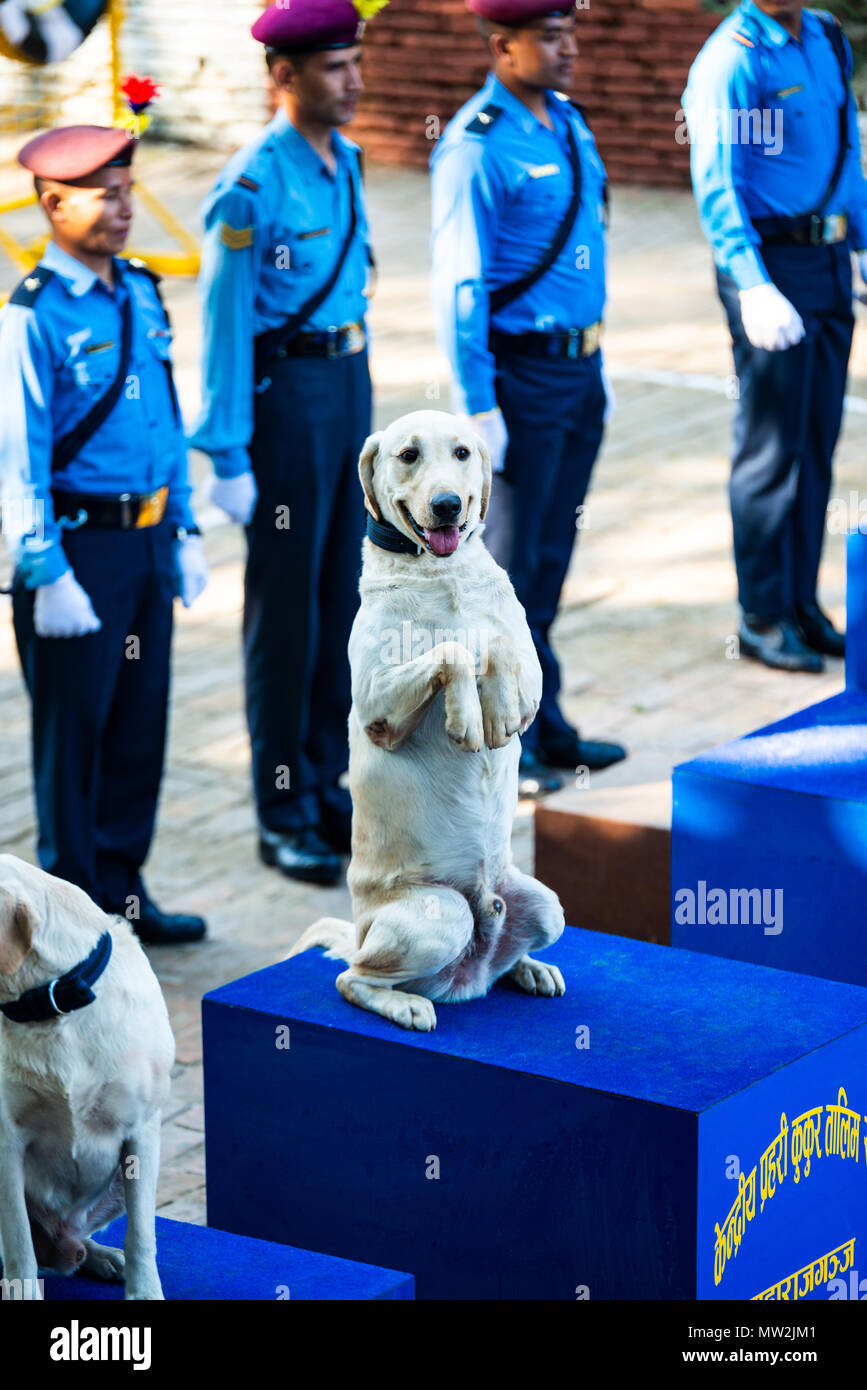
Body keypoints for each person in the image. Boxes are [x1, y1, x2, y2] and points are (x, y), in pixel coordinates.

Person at [0, 124, 209, 944]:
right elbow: (18, 456)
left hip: (146, 541)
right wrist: (43, 567)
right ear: (52, 205)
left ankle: (124, 895)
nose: (125, 210)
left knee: (137, 725)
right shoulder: (30, 318)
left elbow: (166, 416)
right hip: (78, 553)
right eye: (104, 195)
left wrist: (184, 524)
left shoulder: (141, 290)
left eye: (128, 191)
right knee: (73, 737)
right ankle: (70, 920)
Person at [192, 0, 385, 885]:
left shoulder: (340, 159)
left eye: (355, 62)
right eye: (335, 68)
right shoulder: (251, 185)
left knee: (343, 597)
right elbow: (224, 327)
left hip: (347, 388)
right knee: (287, 613)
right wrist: (226, 453)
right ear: (284, 76)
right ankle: (281, 809)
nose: (353, 81)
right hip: (285, 403)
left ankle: (324, 781)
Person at [430, 0, 626, 798]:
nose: (569, 48)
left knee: (546, 560)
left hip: (576, 372)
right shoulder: (474, 145)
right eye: (551, 37)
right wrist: (479, 404)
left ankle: (542, 721)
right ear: (502, 45)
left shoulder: (566, 122)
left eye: (570, 32)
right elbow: (459, 282)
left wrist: (593, 360)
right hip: (519, 379)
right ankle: (490, 751)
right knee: (503, 573)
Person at [683, 0, 867, 672]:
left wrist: (863, 241)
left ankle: (799, 602)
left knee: (816, 438)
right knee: (770, 449)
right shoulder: (730, 60)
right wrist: (750, 283)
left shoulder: (820, 35)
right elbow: (717, 184)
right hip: (768, 265)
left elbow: (846, 150)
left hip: (827, 259)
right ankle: (760, 616)